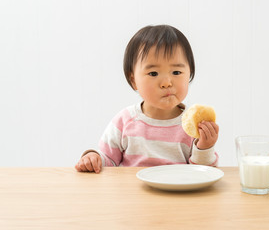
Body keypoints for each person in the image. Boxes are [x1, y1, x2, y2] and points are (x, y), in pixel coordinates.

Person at [75, 25, 219, 173]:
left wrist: (205, 146)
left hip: (177, 194)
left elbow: (202, 173)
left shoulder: (192, 126)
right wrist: (93, 157)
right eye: (153, 73)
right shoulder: (125, 121)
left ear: (189, 74)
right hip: (133, 194)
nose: (166, 83)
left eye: (176, 72)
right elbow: (107, 161)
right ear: (133, 80)